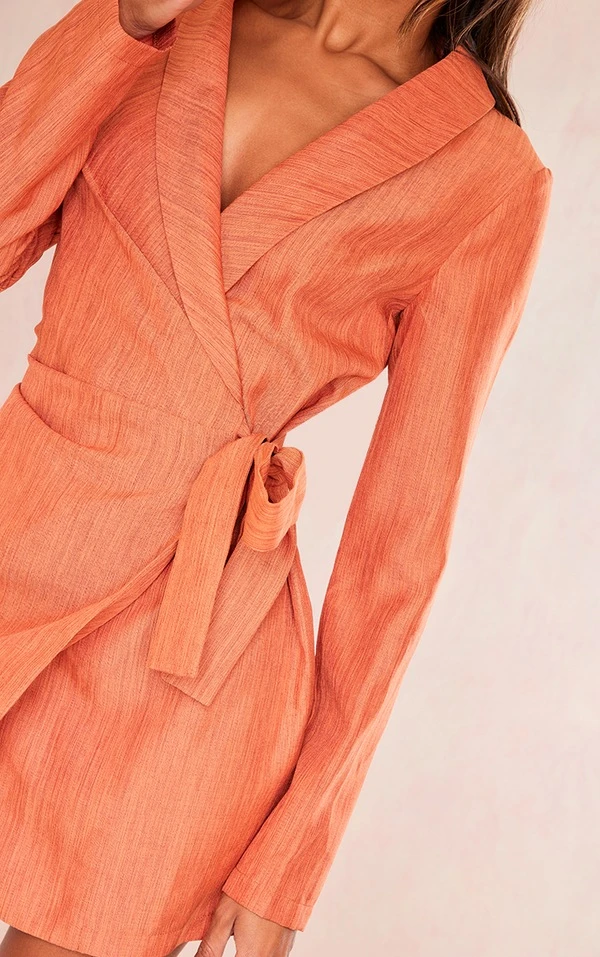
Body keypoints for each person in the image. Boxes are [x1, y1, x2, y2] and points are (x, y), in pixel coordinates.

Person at [0, 0, 552, 955]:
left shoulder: (488, 177)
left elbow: (401, 545)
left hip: (190, 658)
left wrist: (296, 849)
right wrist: (119, 25)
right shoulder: (168, 18)